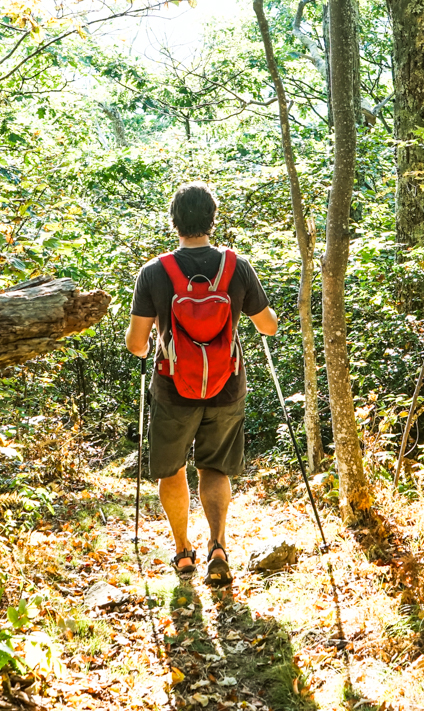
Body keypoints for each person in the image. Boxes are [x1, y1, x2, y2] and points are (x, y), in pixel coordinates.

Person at [126, 182, 277, 585]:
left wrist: (152, 346)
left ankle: (182, 553)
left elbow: (136, 344)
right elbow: (269, 326)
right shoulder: (237, 266)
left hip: (172, 388)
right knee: (215, 467)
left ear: (173, 221)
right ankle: (218, 547)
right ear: (213, 218)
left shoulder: (154, 272)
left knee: (172, 469)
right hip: (227, 385)